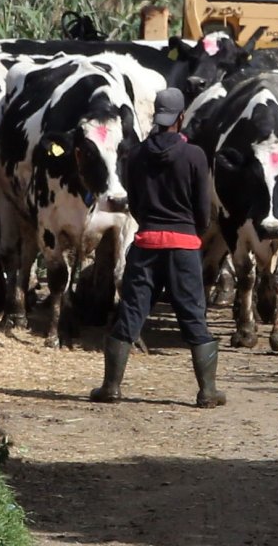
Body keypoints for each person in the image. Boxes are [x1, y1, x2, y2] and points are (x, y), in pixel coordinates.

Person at [90, 87, 227, 408]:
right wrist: (191, 230)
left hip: (147, 243)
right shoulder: (195, 155)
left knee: (132, 312)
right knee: (193, 314)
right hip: (184, 246)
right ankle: (207, 391)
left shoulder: (135, 155)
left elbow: (134, 204)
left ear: (156, 116)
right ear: (180, 118)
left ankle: (111, 387)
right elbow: (202, 212)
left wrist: (152, 223)